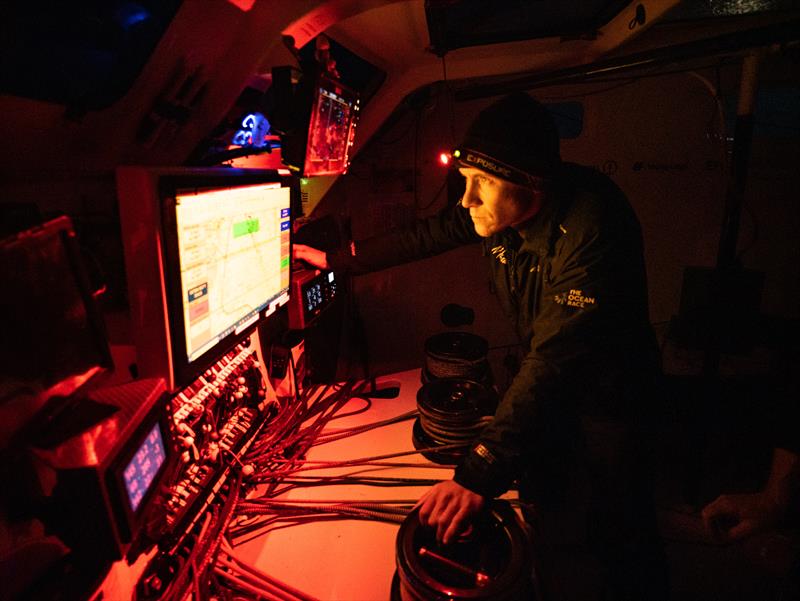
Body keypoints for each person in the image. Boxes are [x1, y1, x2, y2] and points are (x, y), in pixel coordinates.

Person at [294, 92, 668, 599]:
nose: (466, 199)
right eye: (465, 180)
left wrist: (477, 472)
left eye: (483, 184)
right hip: (553, 388)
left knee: (608, 537)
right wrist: (338, 258)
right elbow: (429, 233)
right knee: (547, 517)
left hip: (610, 404)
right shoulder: (498, 213)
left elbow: (556, 359)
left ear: (532, 183)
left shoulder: (591, 224)